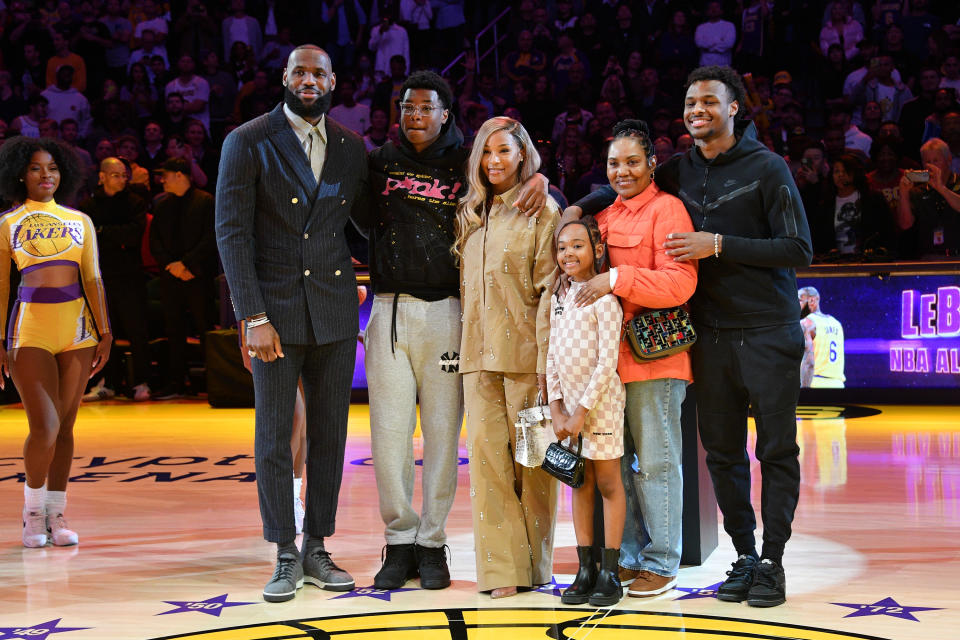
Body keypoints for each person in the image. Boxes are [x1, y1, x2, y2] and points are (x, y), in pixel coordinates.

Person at [568, 66, 813, 608]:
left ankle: (773, 560)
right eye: (689, 101)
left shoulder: (768, 168)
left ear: (734, 108)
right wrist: (578, 207)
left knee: (775, 450)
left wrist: (719, 243)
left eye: (708, 101)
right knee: (722, 455)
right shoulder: (678, 169)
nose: (697, 109)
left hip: (769, 329)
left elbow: (799, 249)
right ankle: (744, 555)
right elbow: (624, 183)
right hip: (708, 336)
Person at [360, 71, 549, 592]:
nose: (416, 117)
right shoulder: (378, 163)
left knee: (444, 435)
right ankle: (399, 540)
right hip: (389, 309)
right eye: (407, 107)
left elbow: (509, 168)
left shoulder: (467, 163)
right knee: (390, 434)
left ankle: (431, 540)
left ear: (446, 113)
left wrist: (540, 178)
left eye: (427, 108)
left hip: (448, 311)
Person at [215, 45, 369, 603]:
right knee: (275, 437)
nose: (309, 81)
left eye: (318, 73)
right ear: (285, 77)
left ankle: (317, 546)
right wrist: (251, 315)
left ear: (333, 80)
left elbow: (373, 221)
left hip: (332, 311)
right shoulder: (247, 140)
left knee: (331, 437)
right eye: (299, 72)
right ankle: (283, 550)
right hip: (272, 316)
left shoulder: (352, 146)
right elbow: (232, 235)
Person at [559, 119, 699, 598]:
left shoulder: (669, 210)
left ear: (652, 164)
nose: (622, 171)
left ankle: (662, 562)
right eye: (614, 163)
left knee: (656, 465)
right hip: (608, 370)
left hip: (655, 362)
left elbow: (681, 284)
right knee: (619, 467)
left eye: (632, 162)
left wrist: (618, 280)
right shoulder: (605, 217)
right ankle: (631, 558)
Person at [453, 116, 559, 599]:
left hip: (528, 361)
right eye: (487, 152)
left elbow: (549, 290)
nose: (494, 161)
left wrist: (546, 365)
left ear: (523, 156)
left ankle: (536, 568)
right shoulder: (470, 214)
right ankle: (500, 573)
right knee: (487, 466)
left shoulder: (544, 211)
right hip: (476, 361)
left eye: (504, 152)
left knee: (533, 468)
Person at [0, 136, 111, 547]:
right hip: (29, 330)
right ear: (20, 175)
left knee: (65, 427)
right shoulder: (8, 223)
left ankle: (56, 513)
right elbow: (0, 284)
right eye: (35, 168)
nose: (45, 175)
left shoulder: (79, 221)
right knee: (43, 427)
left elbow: (93, 278)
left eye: (52, 168)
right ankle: (31, 514)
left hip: (78, 331)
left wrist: (106, 330)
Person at [548, 216, 626, 607]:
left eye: (577, 245)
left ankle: (610, 572)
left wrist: (581, 412)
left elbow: (607, 362)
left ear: (596, 249)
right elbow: (551, 356)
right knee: (580, 483)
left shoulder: (606, 301)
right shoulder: (557, 300)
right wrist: (556, 407)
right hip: (570, 413)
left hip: (601, 407)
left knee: (608, 482)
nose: (568, 253)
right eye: (562, 247)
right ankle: (586, 568)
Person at [80, 157, 151, 402]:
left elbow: (132, 236)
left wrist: (103, 232)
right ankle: (107, 382)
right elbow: (86, 240)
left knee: (136, 330)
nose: (122, 180)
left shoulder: (135, 202)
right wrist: (113, 236)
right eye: (116, 175)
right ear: (102, 176)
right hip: (100, 277)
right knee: (104, 332)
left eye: (124, 175)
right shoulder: (88, 205)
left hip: (130, 276)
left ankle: (141, 381)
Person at [149, 156, 216, 399]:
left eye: (165, 175)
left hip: (197, 275)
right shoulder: (162, 204)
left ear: (179, 175)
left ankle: (214, 381)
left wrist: (186, 264)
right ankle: (177, 381)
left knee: (204, 327)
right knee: (173, 329)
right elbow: (154, 240)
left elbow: (211, 238)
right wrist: (171, 265)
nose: (162, 180)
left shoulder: (206, 201)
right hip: (172, 276)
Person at [897, 137, 960, 259]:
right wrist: (903, 194)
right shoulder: (918, 191)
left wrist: (941, 188)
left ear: (949, 160)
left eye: (936, 161)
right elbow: (905, 225)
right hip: (928, 257)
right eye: (927, 162)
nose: (931, 166)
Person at [799, 287, 845, 388]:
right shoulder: (837, 323)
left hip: (815, 383)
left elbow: (809, 363)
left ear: (811, 300)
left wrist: (804, 390)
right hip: (838, 385)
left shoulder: (806, 323)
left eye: (800, 300)